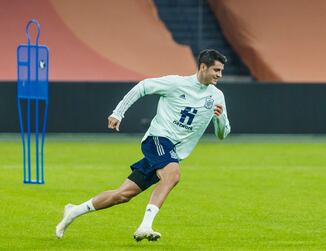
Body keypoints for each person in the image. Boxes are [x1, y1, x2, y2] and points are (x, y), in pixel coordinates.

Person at [55, 49, 231, 242]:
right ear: (203, 67)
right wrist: (118, 113)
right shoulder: (176, 83)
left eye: (221, 71)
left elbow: (222, 134)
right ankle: (145, 226)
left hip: (172, 152)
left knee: (123, 195)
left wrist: (220, 119)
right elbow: (143, 86)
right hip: (158, 139)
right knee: (173, 175)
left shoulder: (217, 96)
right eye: (216, 70)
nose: (219, 75)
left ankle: (73, 211)